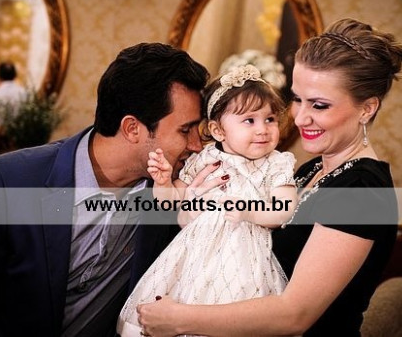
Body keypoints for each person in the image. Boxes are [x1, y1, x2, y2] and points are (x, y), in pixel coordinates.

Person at [0, 43, 224, 337]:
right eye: (185, 130)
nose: (197, 146)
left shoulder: (175, 194)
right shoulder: (8, 182)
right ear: (132, 128)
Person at [136, 18, 402, 337]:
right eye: (297, 99)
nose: (300, 117)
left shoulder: (361, 189)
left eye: (319, 105)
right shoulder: (311, 170)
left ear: (367, 108)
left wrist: (180, 319)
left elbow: (294, 315)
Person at [118, 64, 298, 337]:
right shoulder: (204, 159)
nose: (263, 129)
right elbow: (171, 202)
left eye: (270, 119)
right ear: (218, 130)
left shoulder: (276, 164)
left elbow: (283, 209)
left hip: (245, 261)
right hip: (194, 258)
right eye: (249, 121)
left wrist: (249, 212)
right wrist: (164, 182)